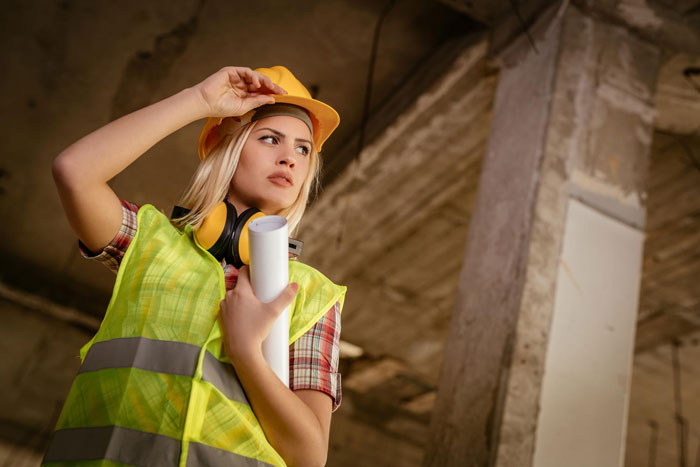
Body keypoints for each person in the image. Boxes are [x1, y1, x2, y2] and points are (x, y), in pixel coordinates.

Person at [44, 66, 346, 467]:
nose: (289, 158)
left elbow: (309, 457)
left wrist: (245, 350)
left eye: (303, 149)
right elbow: (74, 172)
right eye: (270, 139)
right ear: (227, 146)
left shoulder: (311, 294)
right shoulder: (150, 242)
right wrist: (200, 101)